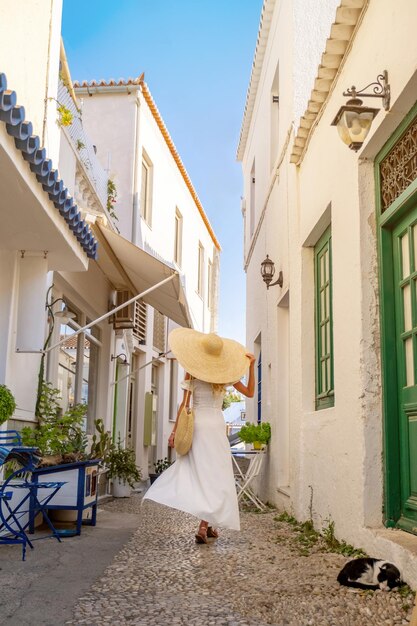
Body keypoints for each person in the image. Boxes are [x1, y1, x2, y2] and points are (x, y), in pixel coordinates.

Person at [142, 328, 256, 543]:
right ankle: (205, 527)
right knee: (216, 475)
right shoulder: (225, 377)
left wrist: (175, 431)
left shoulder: (192, 373)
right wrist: (251, 367)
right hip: (215, 425)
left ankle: (208, 526)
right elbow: (250, 393)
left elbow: (184, 405)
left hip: (197, 425)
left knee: (200, 473)